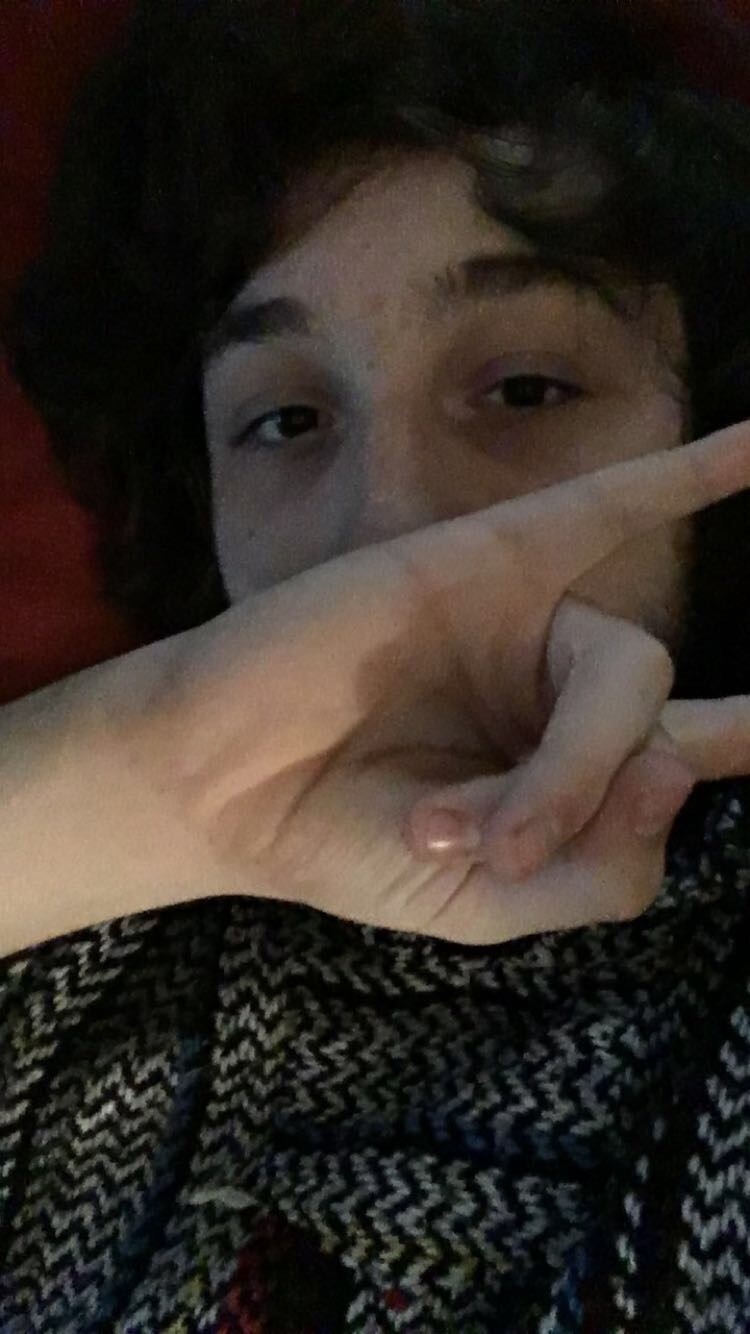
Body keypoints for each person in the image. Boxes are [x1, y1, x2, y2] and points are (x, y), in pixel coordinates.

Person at [2, 0, 750, 1328]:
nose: (390, 527)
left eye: (526, 390)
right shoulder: (70, 931)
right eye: (285, 419)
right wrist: (157, 785)